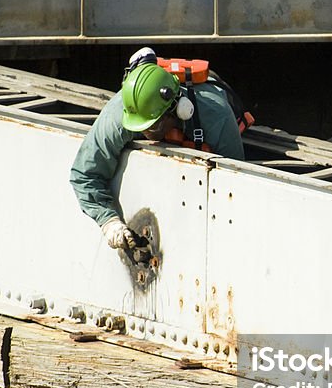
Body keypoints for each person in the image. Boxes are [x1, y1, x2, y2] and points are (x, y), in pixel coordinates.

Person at [70, 49, 244, 249]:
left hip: (212, 94)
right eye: (139, 127)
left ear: (177, 110)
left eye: (152, 126)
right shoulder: (120, 115)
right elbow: (84, 174)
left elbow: (236, 186)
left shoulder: (216, 117)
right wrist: (109, 222)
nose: (145, 132)